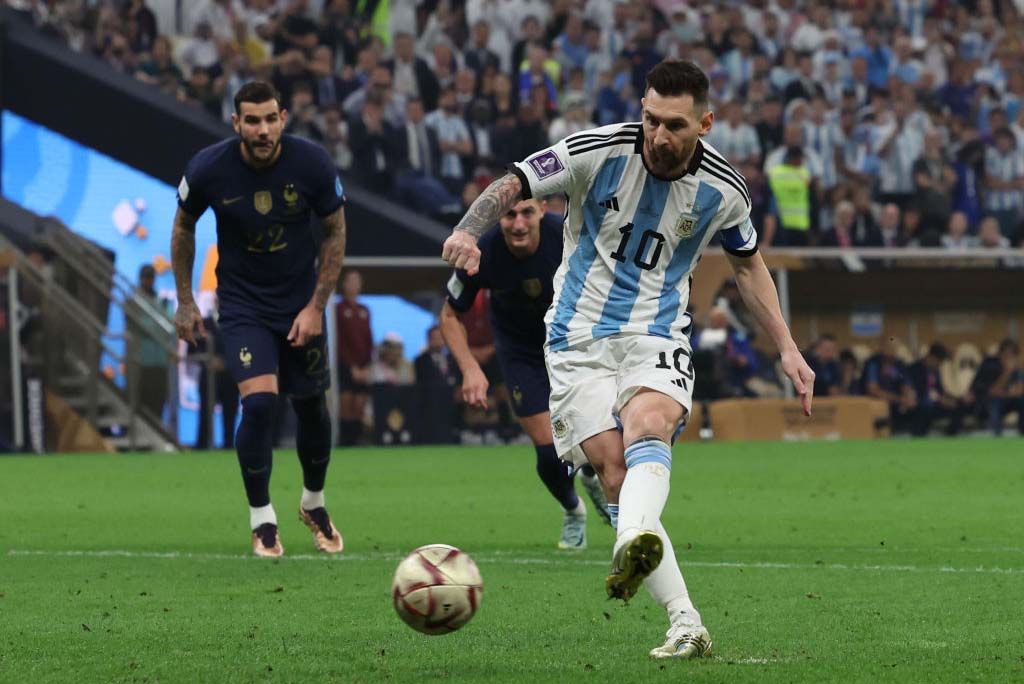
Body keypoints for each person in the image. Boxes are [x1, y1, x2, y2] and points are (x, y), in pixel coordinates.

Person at [441, 59, 815, 660]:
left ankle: (634, 542)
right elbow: (511, 181)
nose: (658, 136)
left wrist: (788, 347)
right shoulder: (596, 151)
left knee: (650, 424)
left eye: (673, 125)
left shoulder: (726, 190)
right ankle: (686, 621)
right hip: (575, 339)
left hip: (656, 330)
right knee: (614, 475)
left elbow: (748, 266)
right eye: (650, 120)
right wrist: (466, 229)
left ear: (705, 124)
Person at [171, 81, 348, 558]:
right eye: (252, 121)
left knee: (311, 405)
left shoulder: (311, 163)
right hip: (243, 305)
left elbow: (334, 231)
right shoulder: (209, 168)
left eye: (270, 119)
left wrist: (316, 306)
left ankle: (313, 503)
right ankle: (262, 519)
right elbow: (184, 225)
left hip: (300, 304)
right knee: (262, 404)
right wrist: (186, 301)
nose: (263, 129)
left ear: (283, 118)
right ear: (236, 124)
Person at [440, 197, 611, 551]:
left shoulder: (567, 236)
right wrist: (471, 369)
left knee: (598, 439)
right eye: (509, 214)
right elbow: (450, 315)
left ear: (543, 210)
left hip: (573, 345)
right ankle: (573, 511)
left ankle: (594, 479)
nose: (518, 224)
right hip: (522, 354)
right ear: (498, 218)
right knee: (550, 454)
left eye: (526, 213)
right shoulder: (482, 252)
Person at [334, 270, 372, 446]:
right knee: (346, 405)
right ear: (344, 284)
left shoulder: (365, 311)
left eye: (358, 281)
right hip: (345, 366)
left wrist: (366, 366)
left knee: (360, 405)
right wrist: (351, 367)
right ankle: (344, 442)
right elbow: (339, 341)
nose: (354, 285)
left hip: (363, 367)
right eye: (351, 281)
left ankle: (357, 441)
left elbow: (368, 340)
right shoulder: (338, 310)